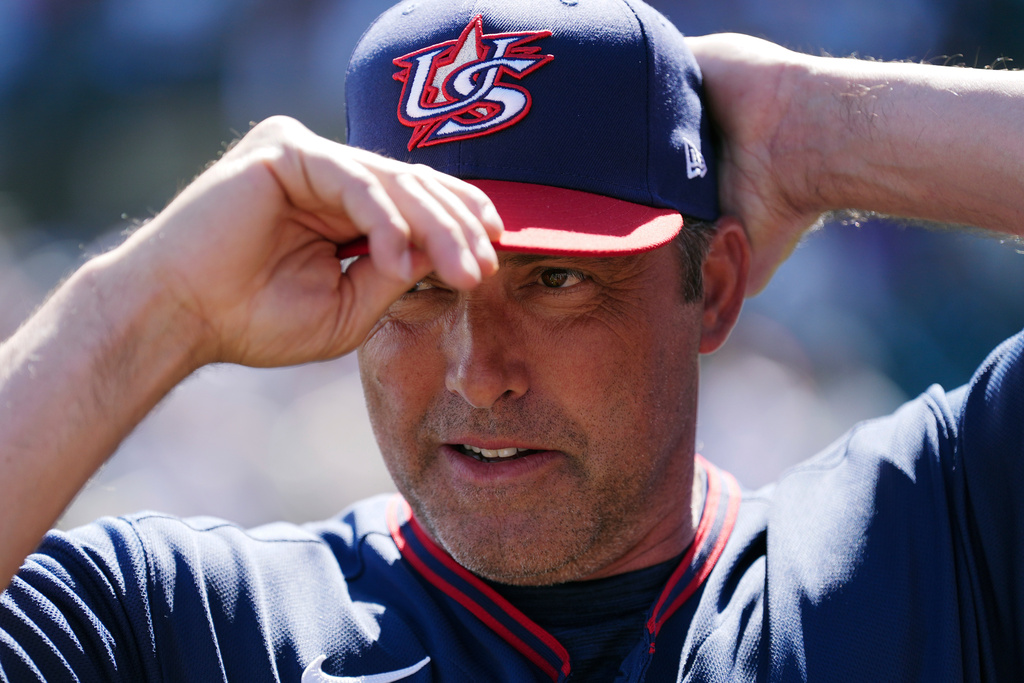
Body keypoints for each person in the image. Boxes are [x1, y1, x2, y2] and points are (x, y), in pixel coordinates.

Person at [1, 0, 1022, 680]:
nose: (475, 370)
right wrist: (141, 307)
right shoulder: (193, 626)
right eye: (419, 283)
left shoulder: (927, 541)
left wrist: (817, 132)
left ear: (712, 288)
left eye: (555, 280)